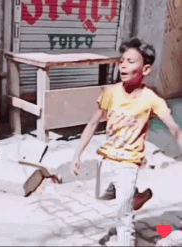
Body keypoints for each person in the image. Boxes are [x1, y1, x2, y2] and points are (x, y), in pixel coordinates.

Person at [70, 37, 182, 246]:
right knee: (102, 195)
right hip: (107, 157)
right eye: (121, 60)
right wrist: (77, 154)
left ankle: (126, 227)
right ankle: (135, 196)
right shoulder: (111, 93)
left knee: (123, 217)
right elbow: (93, 123)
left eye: (131, 61)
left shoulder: (151, 99)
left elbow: (174, 128)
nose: (123, 65)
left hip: (129, 162)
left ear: (146, 69)